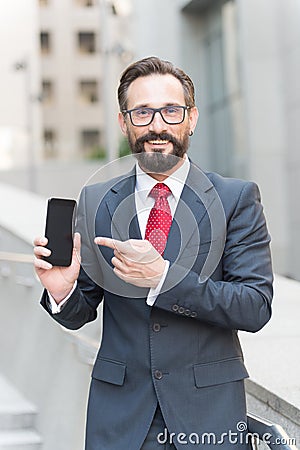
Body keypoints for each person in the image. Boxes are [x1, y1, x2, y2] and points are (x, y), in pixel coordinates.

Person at [33, 56, 273, 450]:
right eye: (142, 112)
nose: (157, 126)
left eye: (170, 111)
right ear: (123, 122)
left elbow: (255, 306)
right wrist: (62, 292)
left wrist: (163, 279)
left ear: (191, 118)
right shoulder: (97, 201)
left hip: (210, 417)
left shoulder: (235, 199)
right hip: (121, 420)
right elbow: (82, 312)